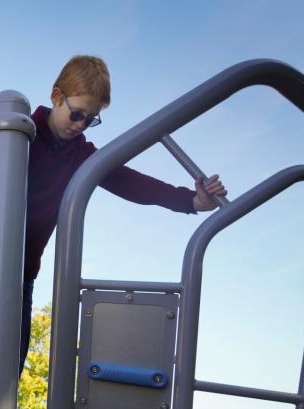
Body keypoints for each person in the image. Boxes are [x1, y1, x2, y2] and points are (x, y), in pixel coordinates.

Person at [20, 55, 228, 374]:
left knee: (8, 368)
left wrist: (192, 201)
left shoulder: (81, 156)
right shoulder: (20, 133)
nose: (80, 125)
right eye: (76, 114)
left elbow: (132, 183)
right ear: (56, 96)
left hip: (22, 274)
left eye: (91, 120)